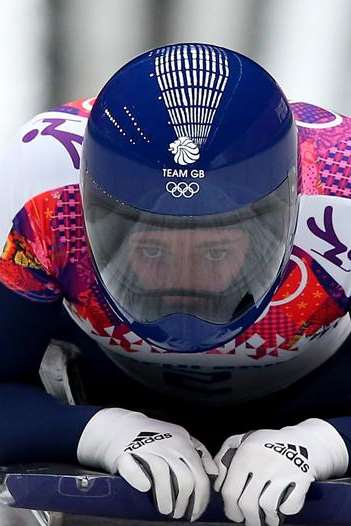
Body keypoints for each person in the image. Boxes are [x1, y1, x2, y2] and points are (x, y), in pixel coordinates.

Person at [0, 43, 350, 526]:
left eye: (215, 251)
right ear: (89, 217)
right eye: (152, 250)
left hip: (319, 393)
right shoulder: (42, 195)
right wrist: (104, 432)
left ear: (286, 218)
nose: (183, 283)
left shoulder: (343, 189)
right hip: (107, 388)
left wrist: (324, 442)